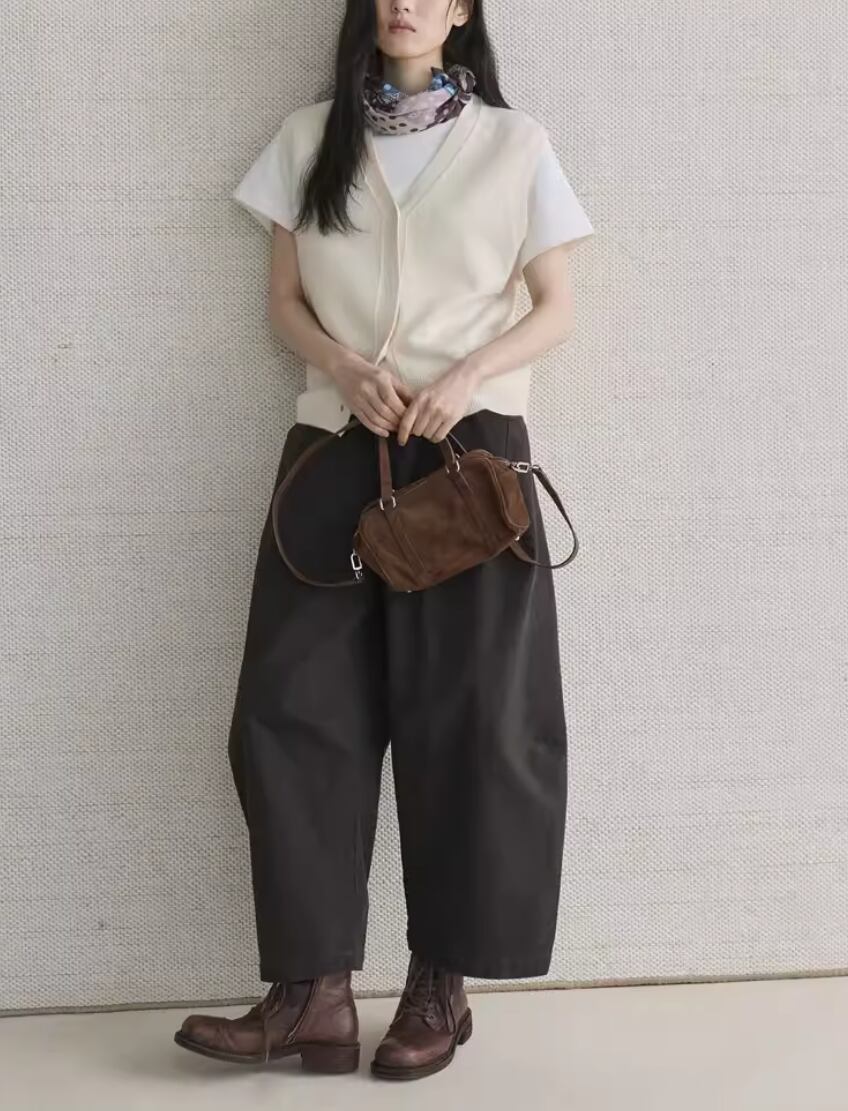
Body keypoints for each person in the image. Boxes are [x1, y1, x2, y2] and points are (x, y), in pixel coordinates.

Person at [174, 0, 594, 1083]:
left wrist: (468, 377)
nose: (405, 3)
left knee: (473, 719)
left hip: (469, 464)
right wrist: (343, 367)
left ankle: (438, 985)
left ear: (460, 12)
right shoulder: (308, 139)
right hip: (332, 448)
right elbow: (282, 300)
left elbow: (556, 306)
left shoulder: (515, 144)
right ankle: (311, 995)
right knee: (291, 708)